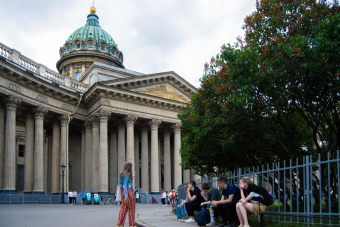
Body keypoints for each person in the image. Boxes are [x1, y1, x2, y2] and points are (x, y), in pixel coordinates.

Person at [116, 162, 136, 227]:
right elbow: (125, 185)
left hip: (123, 192)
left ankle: (119, 224)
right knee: (131, 209)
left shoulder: (122, 174)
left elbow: (123, 185)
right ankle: (132, 224)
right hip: (128, 192)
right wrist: (126, 196)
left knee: (123, 209)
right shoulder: (127, 174)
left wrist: (133, 175)